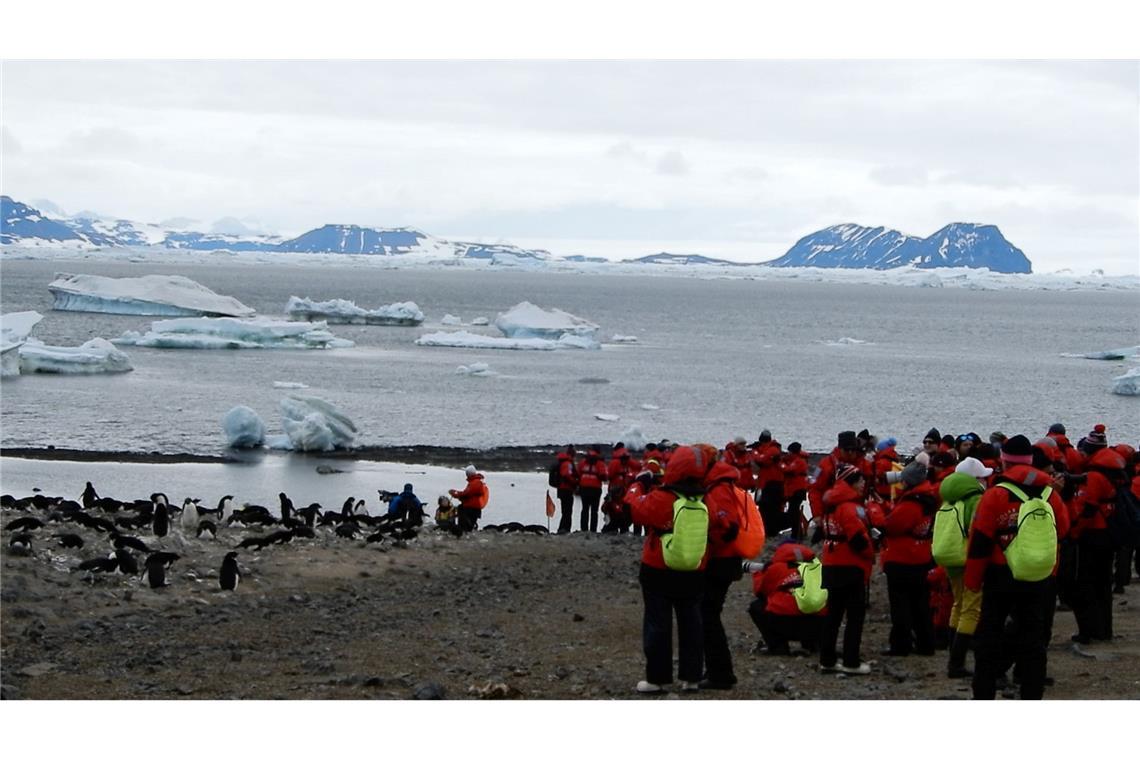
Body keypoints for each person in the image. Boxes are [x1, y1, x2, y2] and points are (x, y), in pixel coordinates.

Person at [966, 434, 1067, 700]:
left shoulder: (995, 495)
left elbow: (980, 543)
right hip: (1038, 575)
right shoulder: (1050, 495)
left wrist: (973, 582)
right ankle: (1031, 694)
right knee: (1033, 639)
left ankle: (984, 693)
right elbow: (1064, 529)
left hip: (1001, 575)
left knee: (989, 637)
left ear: (1004, 462)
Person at [631, 444, 716, 694]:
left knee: (658, 623)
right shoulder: (705, 498)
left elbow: (636, 509)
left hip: (659, 566)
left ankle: (658, 679)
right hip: (694, 567)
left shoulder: (664, 497)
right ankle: (691, 677)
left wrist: (638, 485)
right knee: (692, 623)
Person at [818, 464, 875, 674]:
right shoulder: (848, 507)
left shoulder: (830, 505)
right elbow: (858, 539)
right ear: (851, 482)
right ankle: (851, 661)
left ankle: (827, 659)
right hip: (850, 566)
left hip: (831, 564)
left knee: (833, 615)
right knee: (855, 616)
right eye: (860, 481)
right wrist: (871, 554)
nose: (863, 484)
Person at [699, 457, 749, 690]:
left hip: (721, 560)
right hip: (728, 560)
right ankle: (717, 670)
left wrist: (708, 539)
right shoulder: (725, 485)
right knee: (709, 613)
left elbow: (728, 526)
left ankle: (721, 673)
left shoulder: (718, 489)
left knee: (708, 614)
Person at [1068, 445, 1127, 643]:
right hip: (1108, 535)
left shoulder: (1093, 476)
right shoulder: (1113, 474)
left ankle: (1089, 631)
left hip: (1092, 535)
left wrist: (1074, 532)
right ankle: (1104, 629)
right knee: (1103, 584)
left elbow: (1089, 508)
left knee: (1085, 584)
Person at [938, 463, 990, 678]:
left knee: (958, 604)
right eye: (982, 477)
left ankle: (953, 657)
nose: (985, 480)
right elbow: (978, 533)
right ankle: (956, 663)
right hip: (967, 559)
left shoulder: (950, 497)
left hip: (951, 559)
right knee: (971, 608)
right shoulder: (975, 500)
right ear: (974, 479)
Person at [881, 458, 937, 657]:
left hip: (903, 558)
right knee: (921, 603)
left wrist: (881, 515)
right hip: (921, 556)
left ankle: (901, 644)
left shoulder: (912, 503)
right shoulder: (927, 499)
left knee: (901, 605)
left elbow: (892, 527)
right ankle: (926, 643)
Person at [749, 542, 825, 655]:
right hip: (815, 623)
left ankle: (778, 646)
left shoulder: (777, 568)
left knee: (756, 607)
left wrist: (760, 573)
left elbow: (760, 591)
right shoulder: (817, 569)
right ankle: (813, 644)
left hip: (783, 622)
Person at [754, 430, 785, 534]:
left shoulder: (772, 450)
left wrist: (755, 451)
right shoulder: (770, 449)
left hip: (772, 484)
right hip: (767, 483)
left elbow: (761, 460)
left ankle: (771, 530)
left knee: (769, 507)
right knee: (765, 506)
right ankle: (767, 529)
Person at [781, 442, 811, 539]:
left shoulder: (799, 461)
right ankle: (798, 532)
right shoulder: (798, 460)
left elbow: (788, 470)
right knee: (795, 511)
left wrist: (781, 464)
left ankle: (797, 534)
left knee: (793, 512)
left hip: (797, 490)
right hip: (797, 489)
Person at [448, 465, 488, 533]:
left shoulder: (475, 482)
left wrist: (455, 493)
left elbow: (466, 493)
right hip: (475, 507)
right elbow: (468, 494)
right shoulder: (478, 482)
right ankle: (466, 531)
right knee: (469, 522)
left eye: (467, 473)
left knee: (465, 522)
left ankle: (462, 532)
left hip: (471, 507)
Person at [577, 447, 608, 533]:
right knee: (594, 511)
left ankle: (584, 529)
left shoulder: (583, 462)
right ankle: (593, 530)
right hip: (595, 489)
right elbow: (604, 477)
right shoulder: (600, 463)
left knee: (584, 509)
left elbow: (577, 474)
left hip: (584, 488)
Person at [553, 446, 579, 534]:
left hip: (562, 489)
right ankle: (564, 529)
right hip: (566, 489)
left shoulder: (564, 462)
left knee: (565, 511)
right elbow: (566, 475)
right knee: (567, 511)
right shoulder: (567, 463)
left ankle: (563, 528)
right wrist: (574, 482)